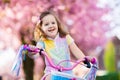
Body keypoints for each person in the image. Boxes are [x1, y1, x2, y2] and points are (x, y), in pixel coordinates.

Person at [28, 10, 93, 80]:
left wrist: (84, 59)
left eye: (53, 23)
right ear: (41, 28)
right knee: (48, 78)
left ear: (57, 25)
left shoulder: (65, 37)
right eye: (46, 24)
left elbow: (75, 49)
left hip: (67, 71)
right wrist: (34, 51)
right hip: (51, 71)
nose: (50, 26)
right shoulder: (42, 41)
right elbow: (38, 50)